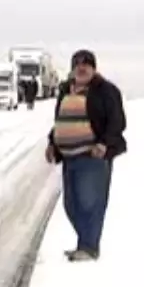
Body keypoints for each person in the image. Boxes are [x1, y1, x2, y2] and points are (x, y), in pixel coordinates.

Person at [45, 49, 127, 262]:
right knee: (71, 205)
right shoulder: (66, 90)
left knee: (91, 202)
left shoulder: (105, 91)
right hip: (69, 156)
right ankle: (85, 244)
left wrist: (103, 144)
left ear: (93, 68)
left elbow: (117, 122)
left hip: (93, 156)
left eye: (86, 64)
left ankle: (89, 248)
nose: (81, 68)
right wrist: (52, 143)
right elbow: (61, 121)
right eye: (77, 64)